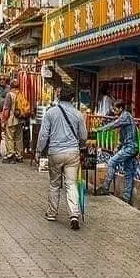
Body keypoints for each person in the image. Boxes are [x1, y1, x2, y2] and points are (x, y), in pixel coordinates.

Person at [36, 84, 88, 230]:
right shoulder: (78, 114)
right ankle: (74, 215)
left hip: (55, 153)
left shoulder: (50, 113)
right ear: (72, 98)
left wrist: (38, 151)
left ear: (59, 96)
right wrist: (81, 145)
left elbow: (43, 134)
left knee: (54, 184)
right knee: (71, 184)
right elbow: (83, 136)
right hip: (72, 153)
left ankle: (52, 213)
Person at [95, 99, 137, 203]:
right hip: (129, 147)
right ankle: (126, 197)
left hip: (130, 147)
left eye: (115, 109)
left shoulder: (125, 116)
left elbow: (114, 125)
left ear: (121, 108)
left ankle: (105, 187)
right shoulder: (124, 117)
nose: (113, 111)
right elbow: (122, 136)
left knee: (111, 162)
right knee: (128, 172)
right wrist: (118, 146)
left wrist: (100, 129)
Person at [2, 77, 30, 163]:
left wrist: (4, 120)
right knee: (19, 138)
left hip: (11, 119)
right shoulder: (21, 94)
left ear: (11, 86)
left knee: (9, 137)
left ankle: (11, 155)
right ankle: (19, 155)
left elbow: (6, 109)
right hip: (20, 119)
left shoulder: (9, 95)